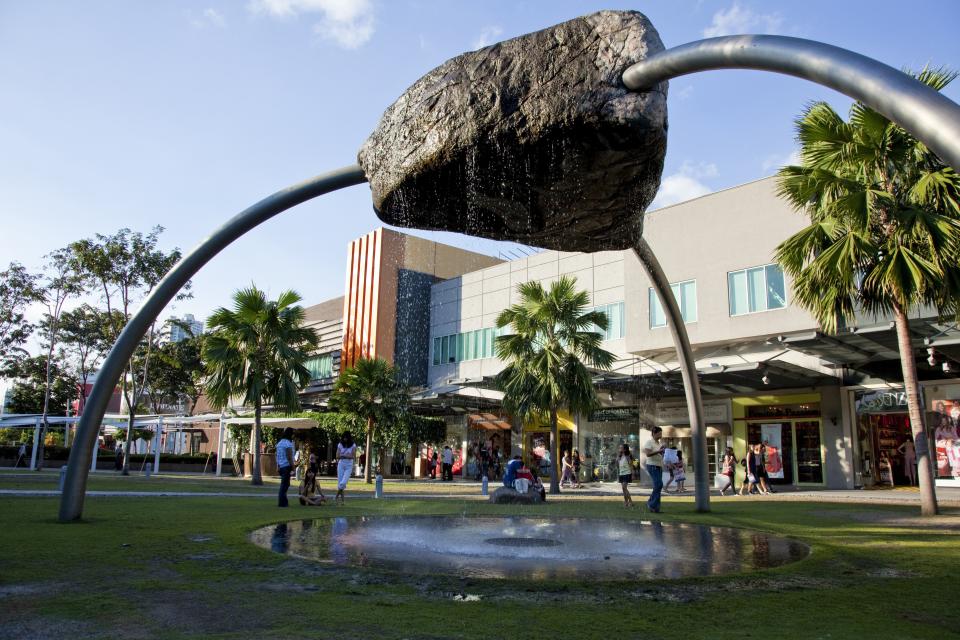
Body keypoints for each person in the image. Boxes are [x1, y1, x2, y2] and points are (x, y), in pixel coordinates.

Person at [642, 427, 665, 513]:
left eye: (661, 434)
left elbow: (659, 453)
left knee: (658, 486)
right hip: (652, 466)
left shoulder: (658, 443)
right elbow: (648, 454)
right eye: (659, 434)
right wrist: (659, 451)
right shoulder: (649, 442)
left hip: (659, 466)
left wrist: (662, 451)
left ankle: (655, 508)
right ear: (654, 433)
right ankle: (651, 503)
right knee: (659, 484)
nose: (661, 435)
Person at [275, 427, 295, 508]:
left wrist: (277, 465)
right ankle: (282, 503)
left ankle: (284, 501)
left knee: (285, 484)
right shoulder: (288, 444)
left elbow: (277, 456)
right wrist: (293, 468)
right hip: (286, 466)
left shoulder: (279, 443)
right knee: (284, 485)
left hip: (281, 466)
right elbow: (289, 457)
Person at [335, 431, 356, 505]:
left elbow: (353, 456)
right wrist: (347, 455)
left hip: (349, 465)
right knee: (340, 483)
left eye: (346, 437)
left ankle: (336, 497)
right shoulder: (340, 444)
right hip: (341, 464)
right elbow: (337, 456)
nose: (345, 439)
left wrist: (343, 455)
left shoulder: (353, 445)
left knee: (343, 482)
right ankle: (342, 501)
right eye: (344, 437)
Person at [617, 443, 635, 508]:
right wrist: (619, 455)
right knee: (623, 488)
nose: (619, 449)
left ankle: (630, 502)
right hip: (621, 474)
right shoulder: (620, 456)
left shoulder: (628, 456)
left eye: (621, 448)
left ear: (624, 449)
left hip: (627, 473)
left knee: (624, 487)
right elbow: (617, 463)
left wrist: (633, 474)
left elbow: (631, 466)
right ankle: (626, 502)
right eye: (619, 448)